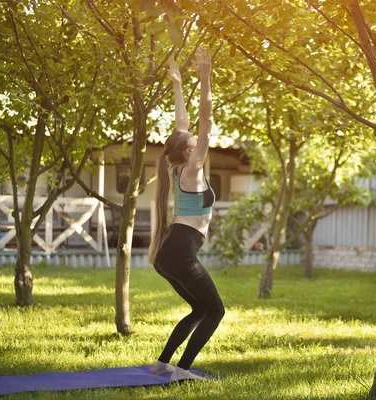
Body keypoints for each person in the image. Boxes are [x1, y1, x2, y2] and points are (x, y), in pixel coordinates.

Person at [147, 48, 224, 382]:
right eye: (195, 141)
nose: (198, 139)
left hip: (170, 253)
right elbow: (204, 121)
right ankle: (182, 371)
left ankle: (163, 363)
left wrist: (179, 85)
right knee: (215, 311)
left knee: (199, 309)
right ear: (191, 150)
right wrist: (204, 79)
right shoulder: (192, 167)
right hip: (180, 251)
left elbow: (183, 125)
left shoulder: (177, 165)